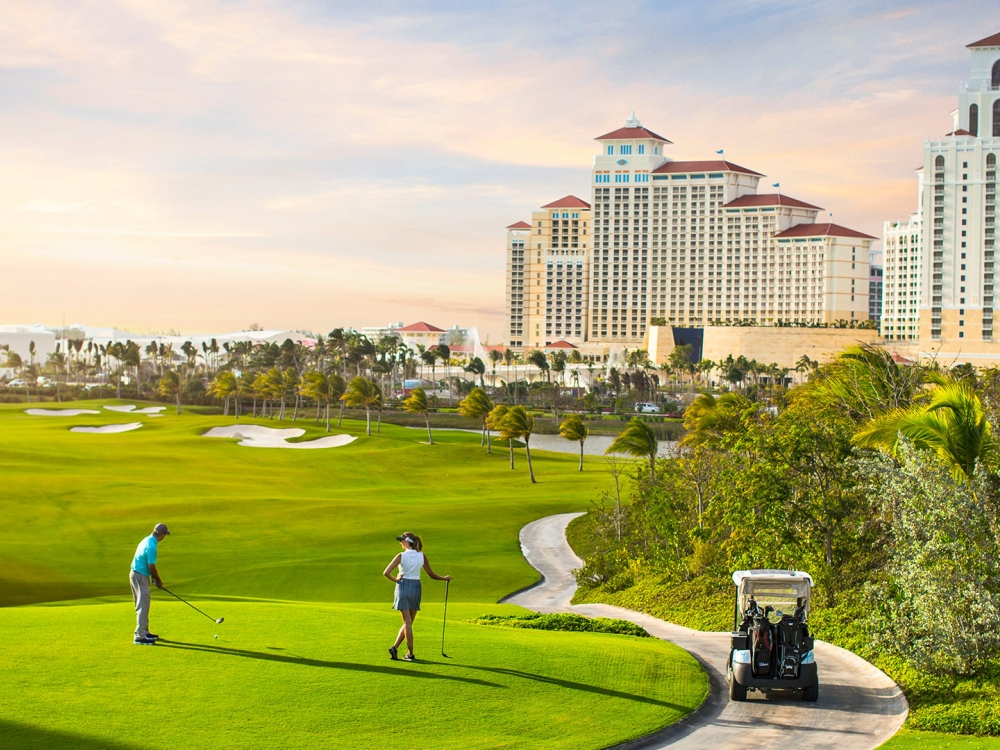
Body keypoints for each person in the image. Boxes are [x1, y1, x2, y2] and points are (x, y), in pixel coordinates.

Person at [383, 532, 450, 662]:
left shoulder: (401, 556)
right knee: (409, 623)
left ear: (407, 542)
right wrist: (444, 578)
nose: (400, 542)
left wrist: (396, 579)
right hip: (416, 587)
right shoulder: (422, 556)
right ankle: (400, 649)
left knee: (407, 623)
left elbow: (386, 572)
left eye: (402, 540)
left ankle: (406, 652)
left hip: (403, 586)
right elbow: (431, 574)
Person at [130, 523, 169, 645]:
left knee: (143, 604)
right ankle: (140, 635)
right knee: (143, 606)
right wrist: (158, 580)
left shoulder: (146, 539)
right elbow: (151, 567)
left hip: (136, 573)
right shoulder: (152, 546)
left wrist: (153, 578)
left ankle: (145, 632)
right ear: (162, 535)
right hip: (140, 576)